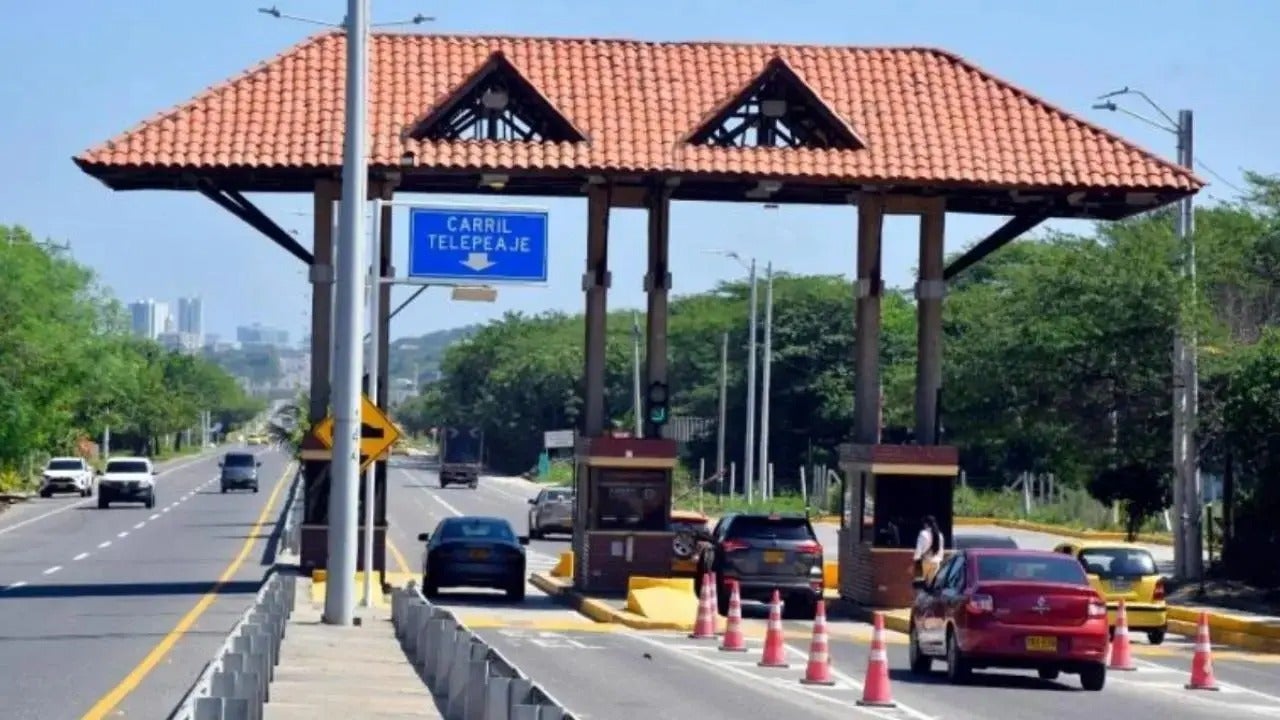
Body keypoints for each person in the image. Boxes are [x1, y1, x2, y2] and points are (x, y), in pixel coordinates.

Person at [913, 515, 946, 582]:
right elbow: (941, 549)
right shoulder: (939, 534)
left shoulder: (923, 533)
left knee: (925, 583)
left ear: (926, 524)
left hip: (926, 560)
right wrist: (939, 558)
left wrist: (916, 558)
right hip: (936, 561)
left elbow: (919, 548)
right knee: (932, 583)